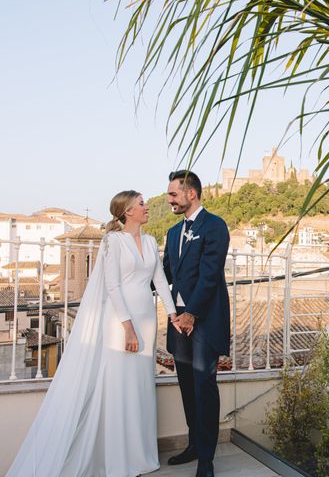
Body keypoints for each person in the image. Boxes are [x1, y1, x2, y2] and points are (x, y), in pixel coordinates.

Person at [7, 190, 177, 477]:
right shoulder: (113, 241)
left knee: (140, 387)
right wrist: (127, 326)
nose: (147, 207)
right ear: (128, 211)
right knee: (120, 385)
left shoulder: (150, 241)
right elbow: (112, 286)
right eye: (142, 204)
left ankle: (140, 453)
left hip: (147, 319)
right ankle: (118, 455)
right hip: (121, 322)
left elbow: (159, 279)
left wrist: (172, 313)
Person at [163, 170, 230, 477]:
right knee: (187, 386)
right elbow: (165, 274)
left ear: (191, 193)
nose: (169, 199)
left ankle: (207, 459)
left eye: (173, 194)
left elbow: (210, 273)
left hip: (203, 320)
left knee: (204, 387)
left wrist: (192, 312)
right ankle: (193, 445)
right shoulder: (173, 233)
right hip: (177, 323)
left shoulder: (215, 226)